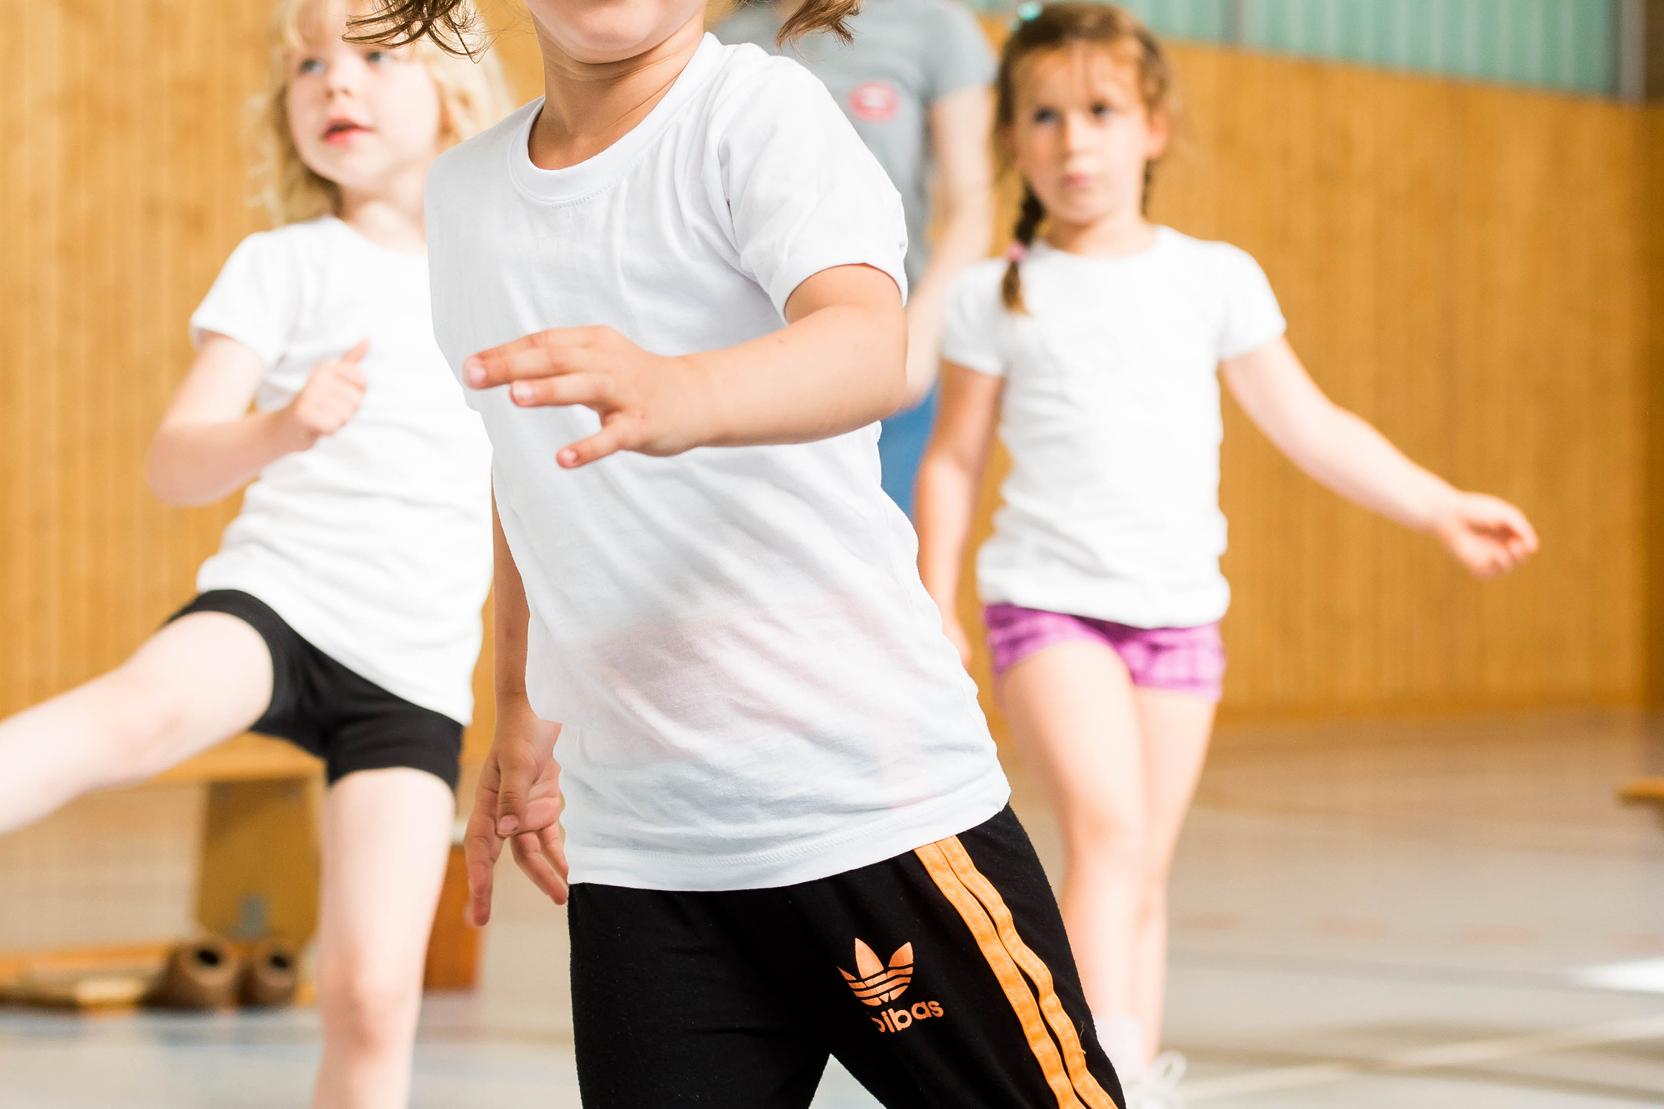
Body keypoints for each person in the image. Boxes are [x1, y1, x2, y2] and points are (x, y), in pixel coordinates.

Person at [356, 0, 1125, 1104]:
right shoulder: (466, 193)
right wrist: (520, 710)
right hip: (645, 849)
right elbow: (527, 462)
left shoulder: (757, 114)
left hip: (861, 804)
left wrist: (687, 388)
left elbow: (869, 344)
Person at [914, 4, 1539, 1104]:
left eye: (1100, 112)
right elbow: (953, 461)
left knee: (1142, 861)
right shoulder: (991, 295)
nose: (1073, 140)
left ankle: (1132, 1063)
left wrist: (1437, 504)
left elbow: (1312, 425)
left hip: (1178, 614)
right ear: (1013, 137)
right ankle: (1093, 1076)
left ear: (1152, 127)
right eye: (1044, 116)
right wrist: (933, 596)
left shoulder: (1212, 278)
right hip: (1047, 606)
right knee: (1105, 832)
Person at [0, 4, 508, 1105]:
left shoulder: (500, 283)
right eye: (309, 67)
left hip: (412, 668)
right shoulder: (284, 263)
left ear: (454, 94)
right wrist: (282, 428)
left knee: (374, 994)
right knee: (130, 717)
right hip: (276, 603)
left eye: (374, 57)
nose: (335, 85)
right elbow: (175, 463)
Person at [714, 0, 995, 516]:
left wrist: (920, 333)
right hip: (750, 360)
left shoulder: (934, 27)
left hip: (886, 352)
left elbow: (971, 207)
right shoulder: (726, 38)